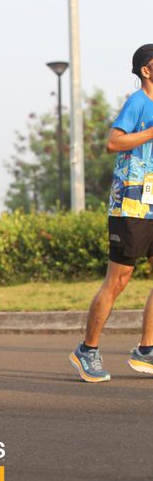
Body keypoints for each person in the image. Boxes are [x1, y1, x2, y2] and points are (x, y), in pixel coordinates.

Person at [70, 44, 153, 382]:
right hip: (130, 204)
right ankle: (87, 350)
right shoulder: (138, 102)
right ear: (146, 70)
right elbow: (113, 142)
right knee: (119, 279)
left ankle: (146, 349)